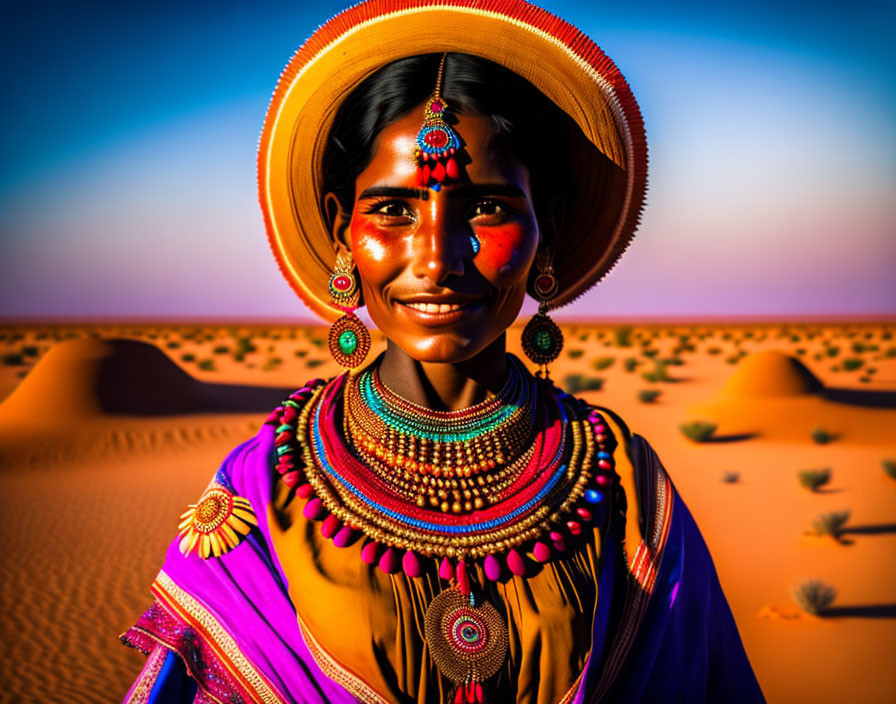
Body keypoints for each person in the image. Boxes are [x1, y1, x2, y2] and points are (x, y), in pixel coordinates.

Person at [122, 2, 765, 702]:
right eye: (394, 210)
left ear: (544, 230)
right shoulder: (260, 490)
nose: (438, 258)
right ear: (343, 230)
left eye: (486, 208)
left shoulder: (624, 488)